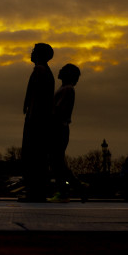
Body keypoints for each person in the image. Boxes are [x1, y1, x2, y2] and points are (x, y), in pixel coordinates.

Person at [48, 63, 87, 203]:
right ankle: (74, 187)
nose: (59, 70)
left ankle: (66, 191)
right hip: (59, 128)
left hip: (58, 128)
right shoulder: (66, 89)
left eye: (62, 70)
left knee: (57, 162)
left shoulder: (67, 89)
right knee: (58, 162)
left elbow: (59, 111)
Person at [21, 43, 55, 202]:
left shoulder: (39, 70)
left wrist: (30, 116)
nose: (31, 53)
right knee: (39, 157)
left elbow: (37, 96)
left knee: (33, 155)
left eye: (34, 51)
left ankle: (34, 192)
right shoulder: (46, 71)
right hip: (41, 119)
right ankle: (37, 191)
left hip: (36, 119)